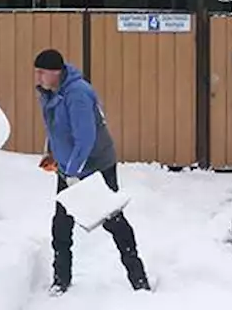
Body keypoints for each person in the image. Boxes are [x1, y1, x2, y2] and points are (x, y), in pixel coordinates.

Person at [34, 48, 150, 295]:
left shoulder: (77, 95)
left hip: (96, 166)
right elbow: (55, 128)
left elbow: (85, 138)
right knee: (62, 224)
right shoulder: (50, 93)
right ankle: (61, 279)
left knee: (113, 220)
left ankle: (138, 279)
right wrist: (51, 153)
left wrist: (75, 172)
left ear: (56, 72)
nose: (38, 77)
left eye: (42, 72)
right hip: (69, 168)